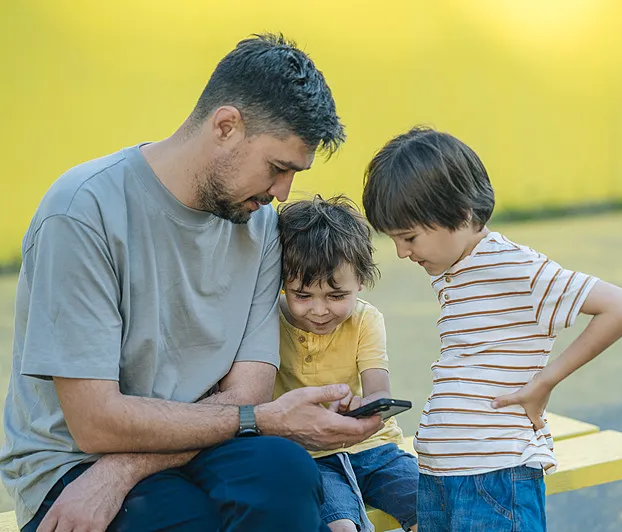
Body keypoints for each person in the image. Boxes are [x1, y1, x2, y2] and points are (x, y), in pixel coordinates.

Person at [0, 33, 383, 532]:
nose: (283, 191)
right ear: (226, 126)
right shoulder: (82, 211)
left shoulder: (261, 224)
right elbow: (95, 422)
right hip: (77, 462)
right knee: (185, 517)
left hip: (198, 444)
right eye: (277, 167)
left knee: (283, 474)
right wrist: (111, 470)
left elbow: (252, 389)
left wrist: (124, 470)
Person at [362, 126, 622, 531]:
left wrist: (545, 381)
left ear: (459, 213)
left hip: (495, 476)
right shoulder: (452, 271)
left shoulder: (513, 266)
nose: (402, 252)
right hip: (441, 476)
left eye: (409, 237)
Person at [274, 195, 418, 532]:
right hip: (311, 457)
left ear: (361, 282)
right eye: (302, 295)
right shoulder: (267, 322)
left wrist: (364, 405)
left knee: (431, 510)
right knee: (341, 526)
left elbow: (378, 390)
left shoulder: (366, 320)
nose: (319, 310)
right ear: (282, 284)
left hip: (374, 449)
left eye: (337, 296)